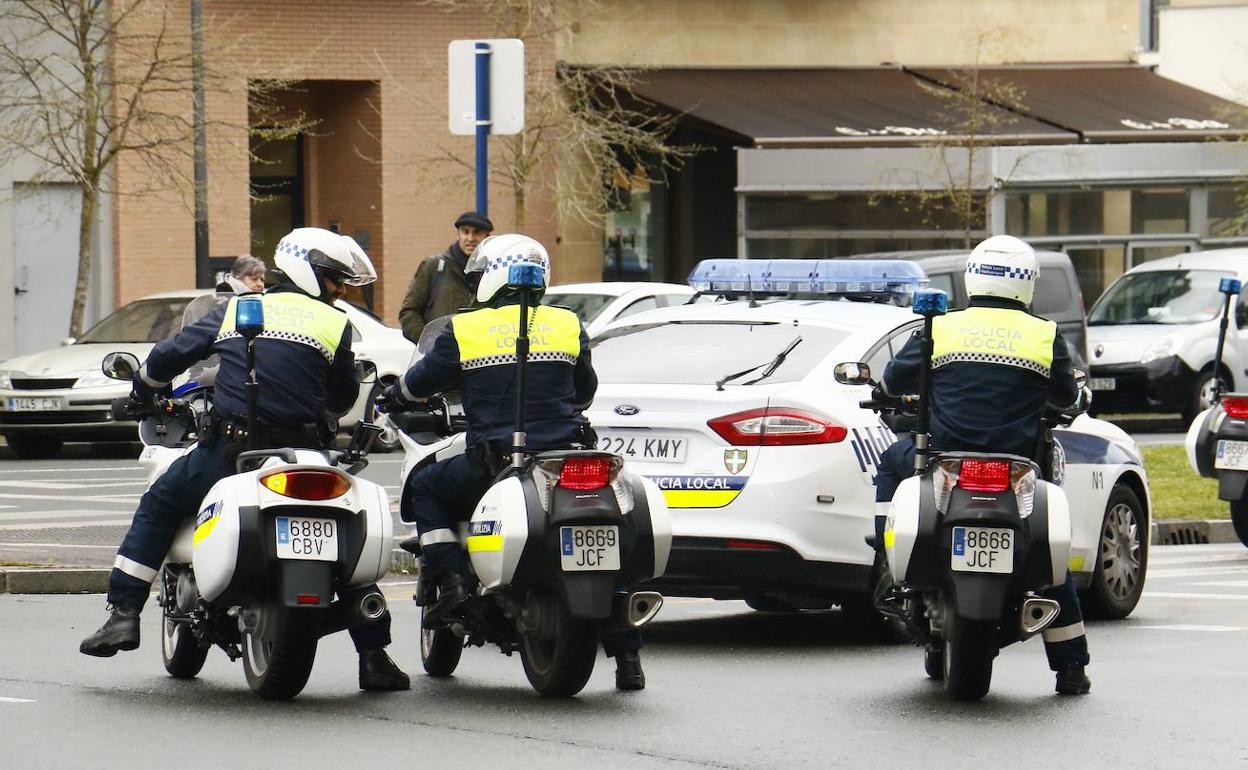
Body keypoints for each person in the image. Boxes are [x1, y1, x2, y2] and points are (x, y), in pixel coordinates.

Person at [80, 227, 410, 692]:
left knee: (160, 503)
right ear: (307, 271)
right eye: (334, 279)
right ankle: (374, 655)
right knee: (337, 530)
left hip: (231, 452)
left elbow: (169, 357)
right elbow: (341, 397)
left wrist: (143, 391)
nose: (339, 289)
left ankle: (123, 614)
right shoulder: (334, 324)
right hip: (305, 451)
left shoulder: (232, 310)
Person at [381, 233, 648, 691]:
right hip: (564, 460)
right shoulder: (566, 324)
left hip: (496, 464)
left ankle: (450, 582)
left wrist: (395, 396)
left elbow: (418, 383)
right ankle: (627, 658)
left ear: (493, 278)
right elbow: (584, 389)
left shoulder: (465, 329)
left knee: (428, 487)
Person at [872, 234, 1091, 696]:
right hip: (1018, 467)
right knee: (1049, 556)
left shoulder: (942, 326)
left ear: (973, 278)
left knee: (891, 466)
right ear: (1027, 284)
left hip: (945, 459)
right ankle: (1071, 668)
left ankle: (886, 560)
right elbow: (1067, 397)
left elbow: (892, 381)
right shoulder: (1044, 334)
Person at [398, 210, 493, 344]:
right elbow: (409, 313)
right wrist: (430, 344)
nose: (470, 238)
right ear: (458, 234)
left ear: (486, 236)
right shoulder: (434, 266)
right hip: (440, 359)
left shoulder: (493, 272)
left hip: (479, 356)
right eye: (465, 231)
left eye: (477, 232)